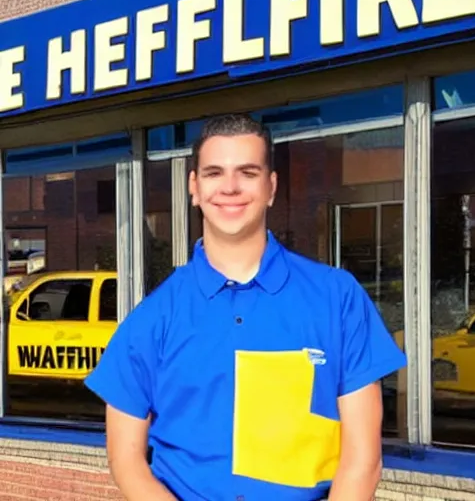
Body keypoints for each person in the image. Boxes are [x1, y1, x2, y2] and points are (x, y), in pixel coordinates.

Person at [85, 113, 407, 501]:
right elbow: (126, 461)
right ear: (194, 187)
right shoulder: (152, 318)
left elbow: (362, 461)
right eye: (214, 173)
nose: (231, 187)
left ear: (271, 187)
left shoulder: (337, 298)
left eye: (248, 172)